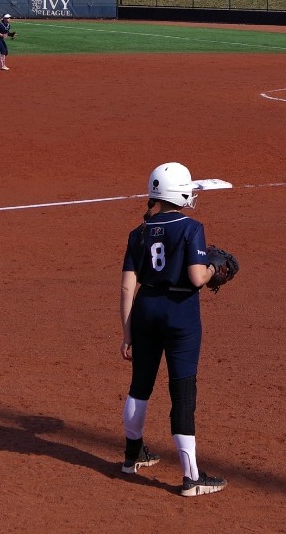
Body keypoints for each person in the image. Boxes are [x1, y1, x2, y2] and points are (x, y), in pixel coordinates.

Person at [119, 162, 227, 497]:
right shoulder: (191, 228)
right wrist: (215, 267)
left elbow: (126, 288)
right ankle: (191, 478)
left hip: (145, 311)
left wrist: (126, 334)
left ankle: (131, 456)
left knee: (140, 386)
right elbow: (197, 277)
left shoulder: (138, 233)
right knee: (182, 392)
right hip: (180, 315)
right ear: (179, 192)